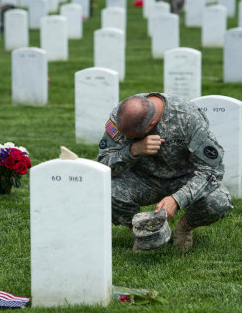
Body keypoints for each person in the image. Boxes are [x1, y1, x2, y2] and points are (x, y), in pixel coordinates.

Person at [97, 93, 233, 252]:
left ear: (151, 124)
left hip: (183, 178)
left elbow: (212, 171)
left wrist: (177, 199)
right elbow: (102, 166)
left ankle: (185, 226)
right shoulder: (120, 117)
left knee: (218, 200)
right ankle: (143, 231)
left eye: (133, 137)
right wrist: (133, 150)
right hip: (142, 179)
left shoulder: (187, 118)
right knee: (105, 192)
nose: (128, 138)